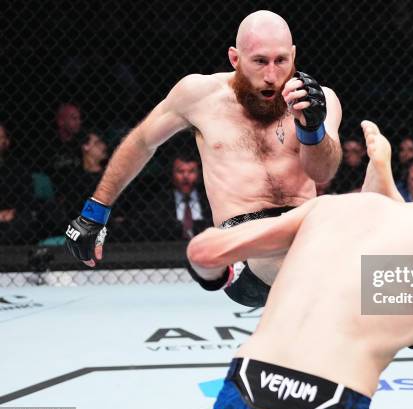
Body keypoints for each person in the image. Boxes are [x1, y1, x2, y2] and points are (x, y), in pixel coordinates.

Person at [189, 121, 413, 409]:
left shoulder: (329, 208)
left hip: (246, 384)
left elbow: (204, 252)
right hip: (329, 405)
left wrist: (216, 276)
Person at [64, 10, 342, 307]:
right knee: (321, 267)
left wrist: (311, 128)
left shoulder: (320, 99)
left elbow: (322, 172)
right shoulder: (200, 96)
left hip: (305, 232)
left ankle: (389, 320)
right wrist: (94, 213)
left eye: (281, 61)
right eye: (260, 61)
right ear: (235, 59)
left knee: (378, 252)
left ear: (294, 54)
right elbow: (142, 142)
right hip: (243, 250)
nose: (272, 75)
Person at [134, 152, 213, 241]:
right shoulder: (158, 203)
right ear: (172, 174)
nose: (185, 176)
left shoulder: (211, 201)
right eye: (180, 171)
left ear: (199, 174)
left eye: (191, 171)